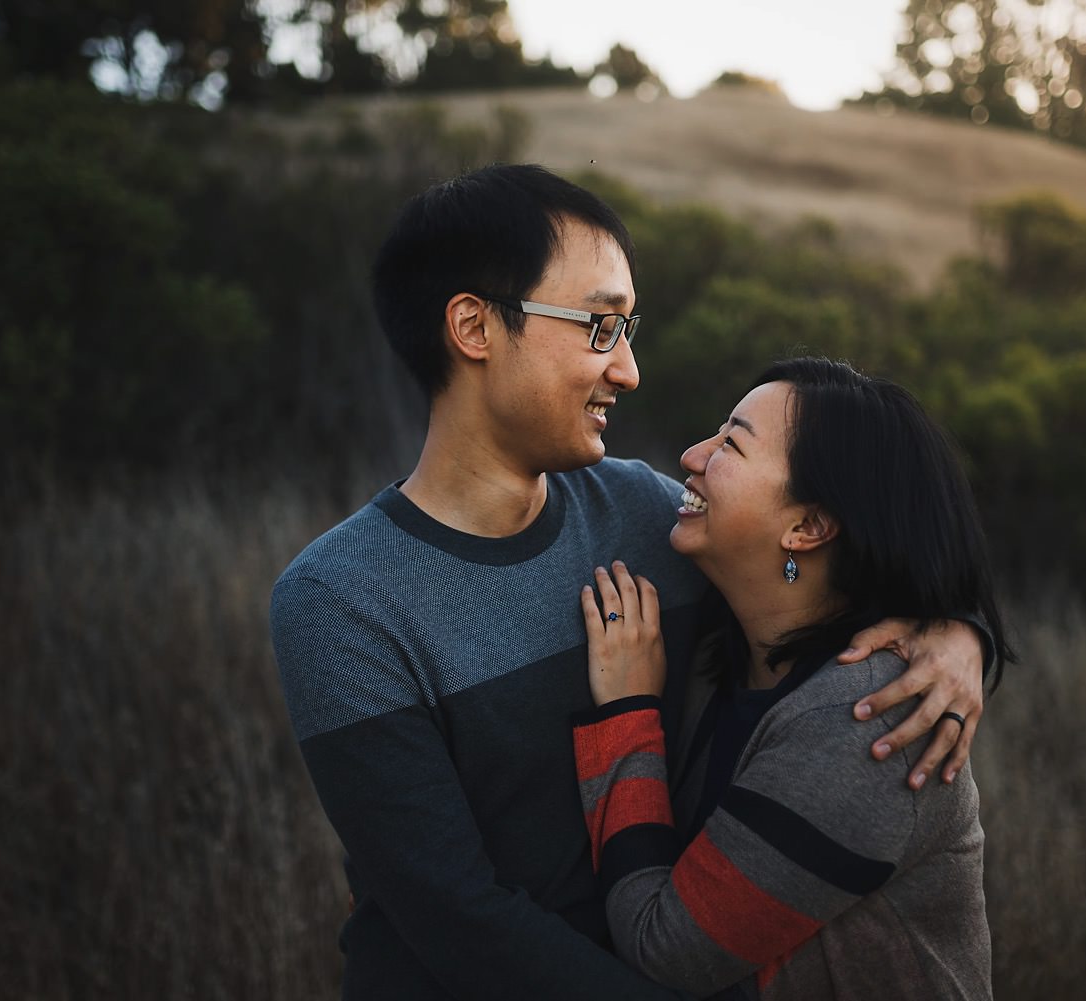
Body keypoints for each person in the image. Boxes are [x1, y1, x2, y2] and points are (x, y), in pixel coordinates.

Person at [269, 165, 989, 999]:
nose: (629, 370)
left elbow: (832, 568)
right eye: (600, 327)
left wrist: (956, 629)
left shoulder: (651, 517)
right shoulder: (339, 599)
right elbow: (460, 917)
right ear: (474, 326)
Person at [574, 357, 1011, 1000]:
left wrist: (628, 713)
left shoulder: (873, 726)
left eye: (732, 443)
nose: (693, 456)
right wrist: (961, 625)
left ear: (807, 527)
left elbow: (661, 949)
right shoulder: (730, 636)